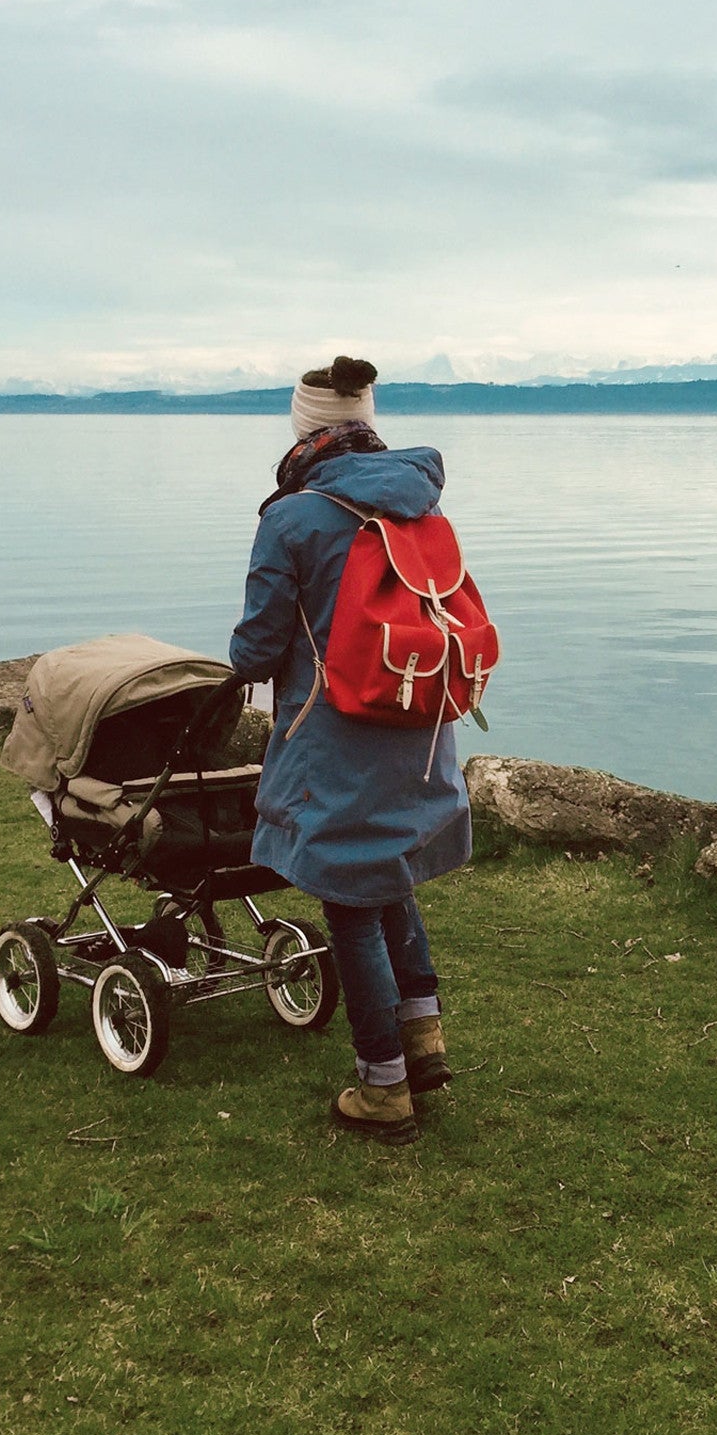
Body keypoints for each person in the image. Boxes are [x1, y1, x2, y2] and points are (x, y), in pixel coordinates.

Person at [230, 356, 469, 1146]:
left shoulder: (293, 517)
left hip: (335, 733)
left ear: (304, 428)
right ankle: (422, 1037)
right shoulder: (417, 503)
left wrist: (235, 664)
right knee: (390, 875)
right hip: (419, 720)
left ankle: (383, 1088)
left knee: (350, 902)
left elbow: (259, 649)